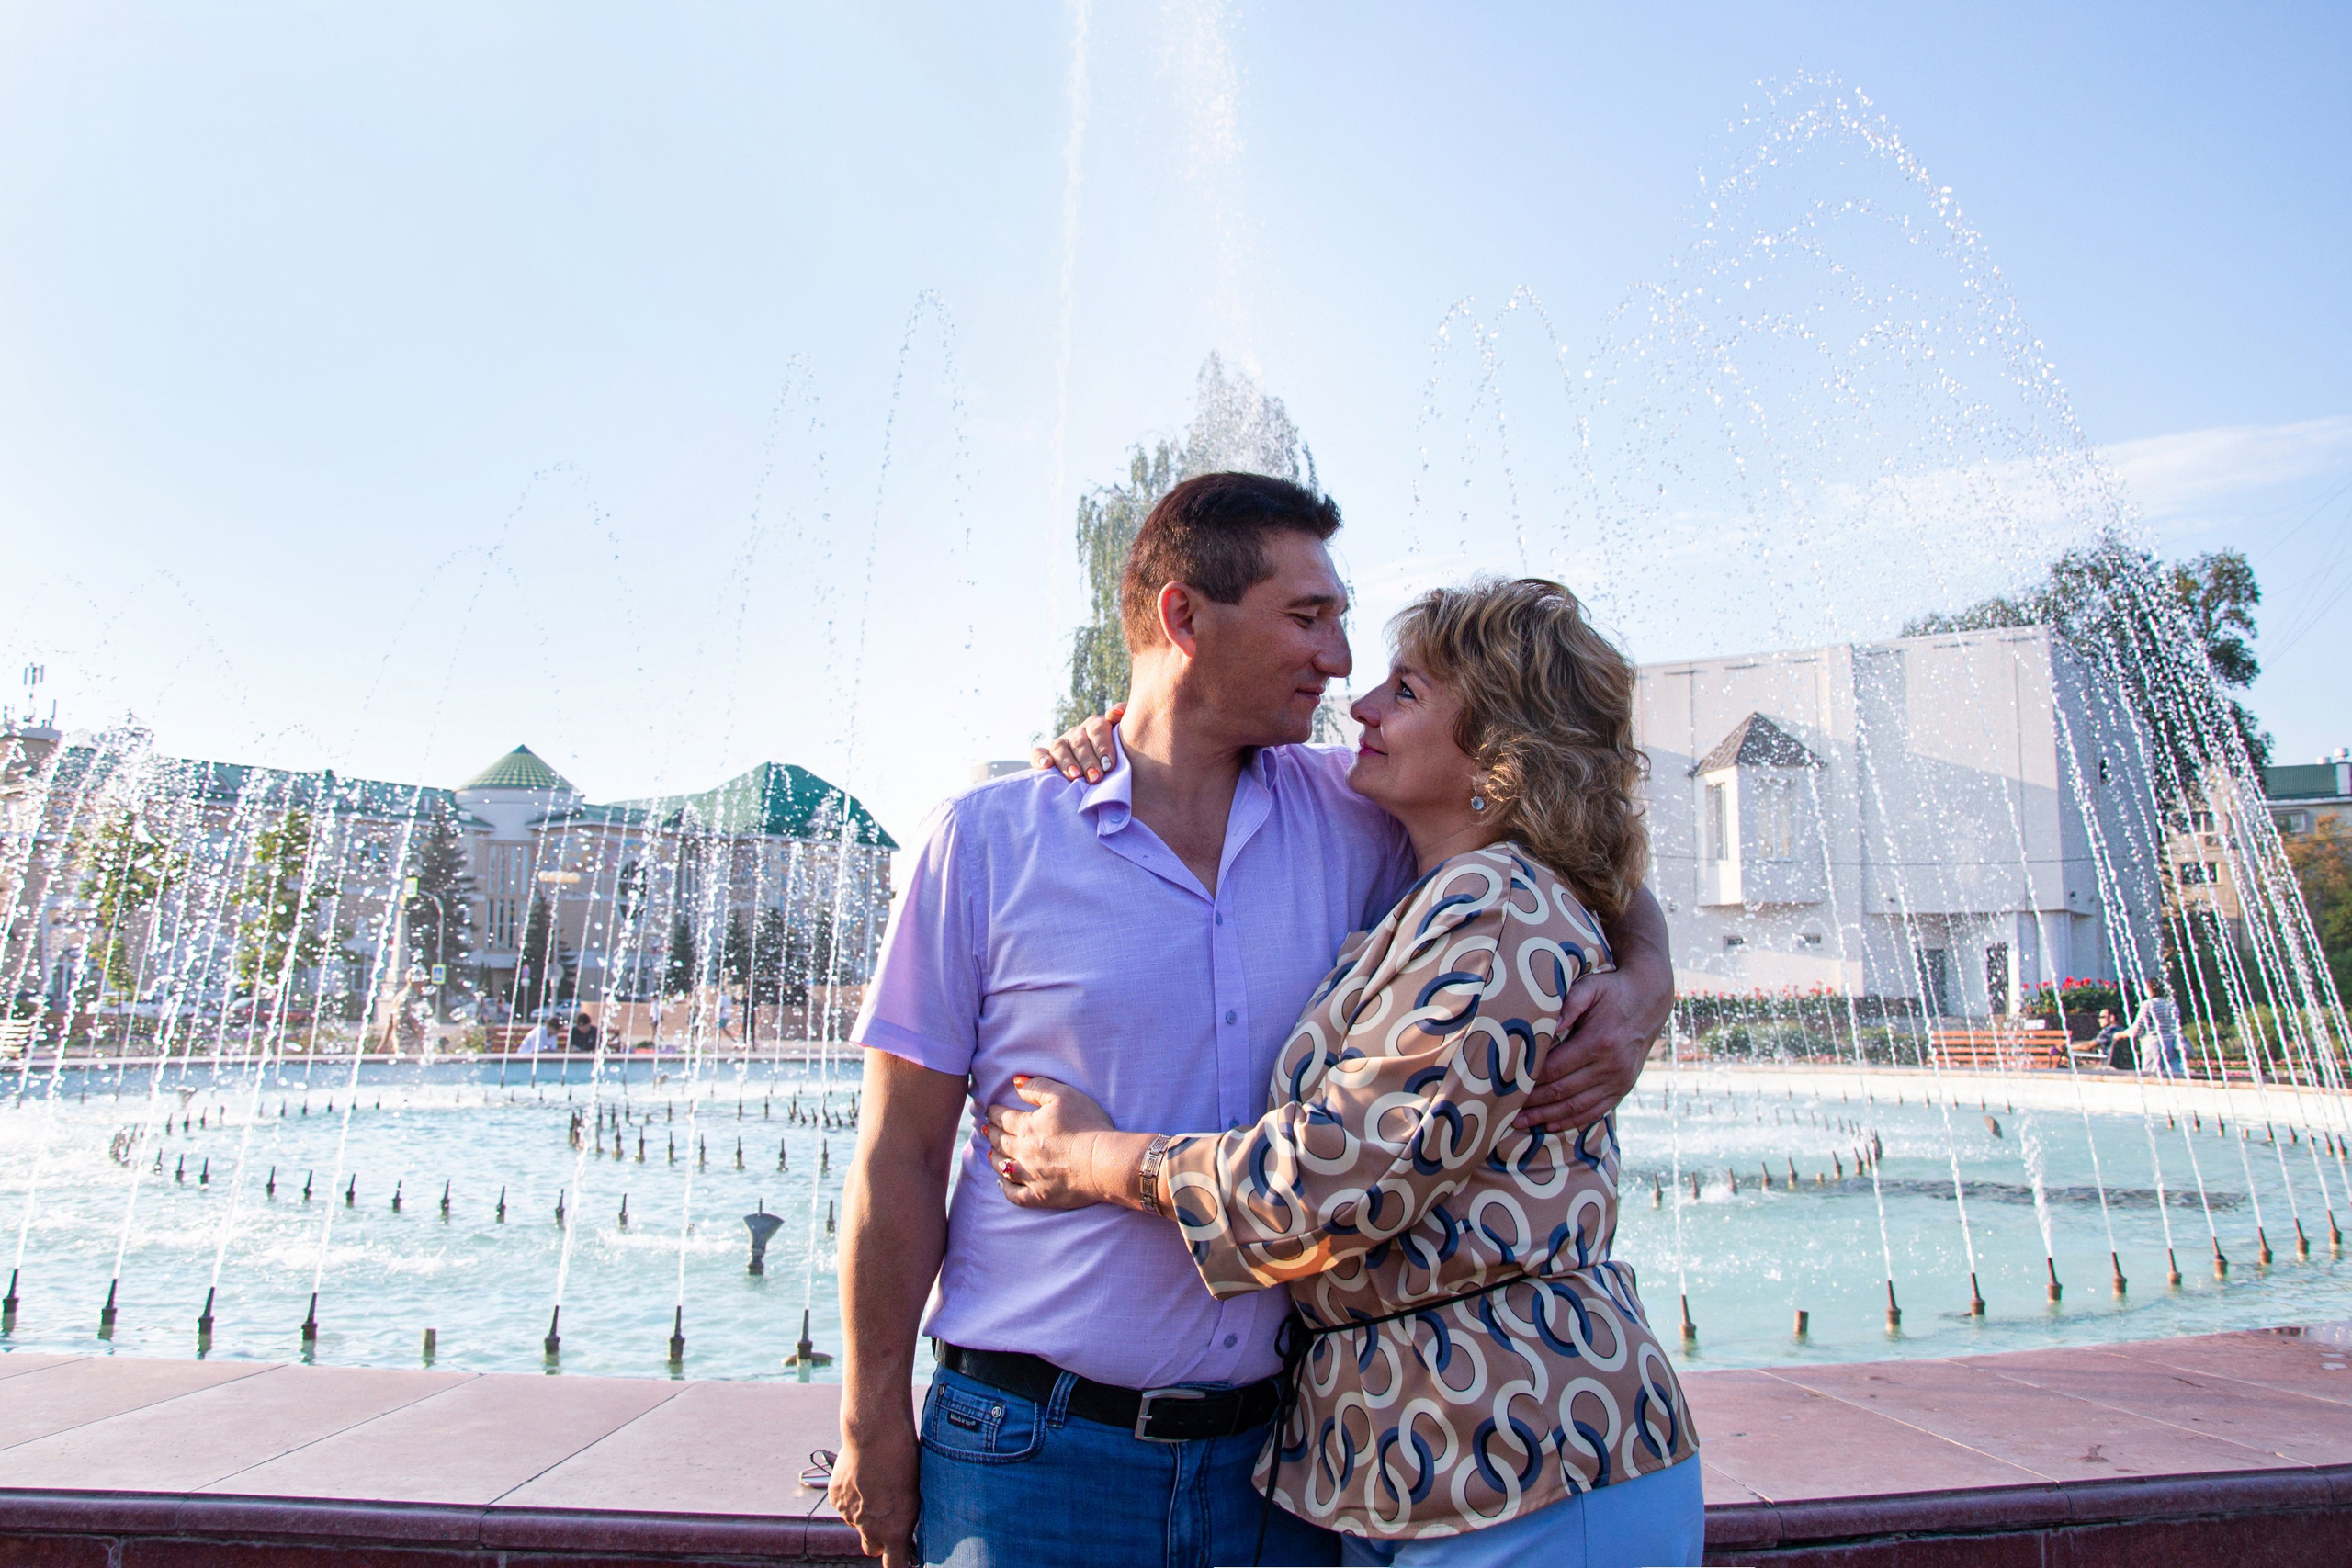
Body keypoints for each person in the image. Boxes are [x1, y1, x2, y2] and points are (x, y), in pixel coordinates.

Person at [833, 473, 1679, 1568]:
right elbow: (897, 1157)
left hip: (1279, 1472)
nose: (1339, 662)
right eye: (1307, 617)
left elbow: (1557, 830)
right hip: (1031, 1457)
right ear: (1184, 617)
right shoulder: (989, 841)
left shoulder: (1361, 807)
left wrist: (1648, 975)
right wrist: (869, 1422)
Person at [2128, 991, 2188, 1077]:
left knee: (2150, 1077)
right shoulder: (2172, 1004)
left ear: (2149, 989)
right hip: (2173, 1044)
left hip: (2154, 1044)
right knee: (2176, 1077)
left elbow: (2138, 1027)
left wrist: (2122, 1034)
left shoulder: (2149, 1004)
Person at [2095, 1006, 2132, 1071]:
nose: (2099, 1020)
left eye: (2102, 1017)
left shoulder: (2110, 1030)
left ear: (2112, 1018)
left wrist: (2071, 1047)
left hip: (2108, 1067)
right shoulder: (2122, 1030)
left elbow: (2089, 1046)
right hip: (2123, 1068)